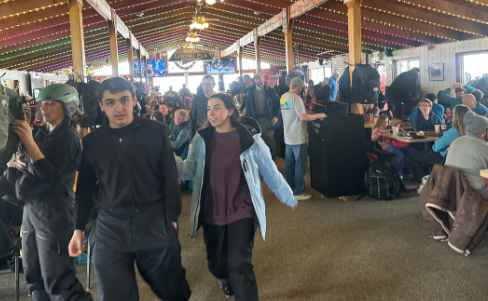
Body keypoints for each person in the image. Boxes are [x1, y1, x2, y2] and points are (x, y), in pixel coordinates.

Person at [71, 77, 191, 300]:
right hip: (109, 225)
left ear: (134, 100)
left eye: (124, 100)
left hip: (152, 220)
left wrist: (172, 218)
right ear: (101, 105)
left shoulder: (155, 132)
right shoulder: (92, 142)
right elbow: (85, 189)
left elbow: (169, 177)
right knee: (115, 294)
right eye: (110, 102)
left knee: (171, 287)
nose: (119, 107)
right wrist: (79, 228)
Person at [176, 93, 297, 300]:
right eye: (208, 108)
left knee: (240, 264)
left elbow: (270, 171)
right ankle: (225, 277)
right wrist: (166, 158)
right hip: (211, 212)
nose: (211, 113)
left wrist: (287, 195)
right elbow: (188, 169)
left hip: (243, 210)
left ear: (230, 111)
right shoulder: (201, 139)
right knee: (217, 264)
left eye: (217, 107)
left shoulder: (250, 140)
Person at [5, 84, 93, 301]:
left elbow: (49, 176)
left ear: (66, 107)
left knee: (59, 282)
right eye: (42, 103)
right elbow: (27, 163)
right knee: (34, 278)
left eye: (50, 104)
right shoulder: (42, 132)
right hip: (32, 211)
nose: (43, 108)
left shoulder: (68, 136)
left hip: (55, 212)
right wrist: (15, 161)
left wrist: (29, 141)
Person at [442, 112, 488, 199]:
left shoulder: (455, 142)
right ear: (483, 132)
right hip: (477, 195)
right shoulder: (487, 148)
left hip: (453, 192)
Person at [280, 77, 326, 200]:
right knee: (300, 165)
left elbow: (294, 113)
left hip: (288, 137)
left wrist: (309, 114)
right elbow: (302, 117)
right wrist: (318, 115)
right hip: (298, 137)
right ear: (300, 88)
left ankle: (290, 188)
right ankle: (298, 192)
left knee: (290, 165)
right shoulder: (296, 98)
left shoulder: (283, 97)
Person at [241, 74, 280, 159]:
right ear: (254, 80)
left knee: (270, 144)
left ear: (263, 79)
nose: (258, 80)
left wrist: (276, 116)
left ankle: (272, 163)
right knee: (257, 144)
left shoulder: (271, 91)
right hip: (255, 120)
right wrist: (248, 115)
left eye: (259, 78)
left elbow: (278, 104)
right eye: (256, 78)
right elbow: (248, 105)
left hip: (268, 120)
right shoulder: (250, 91)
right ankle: (261, 165)